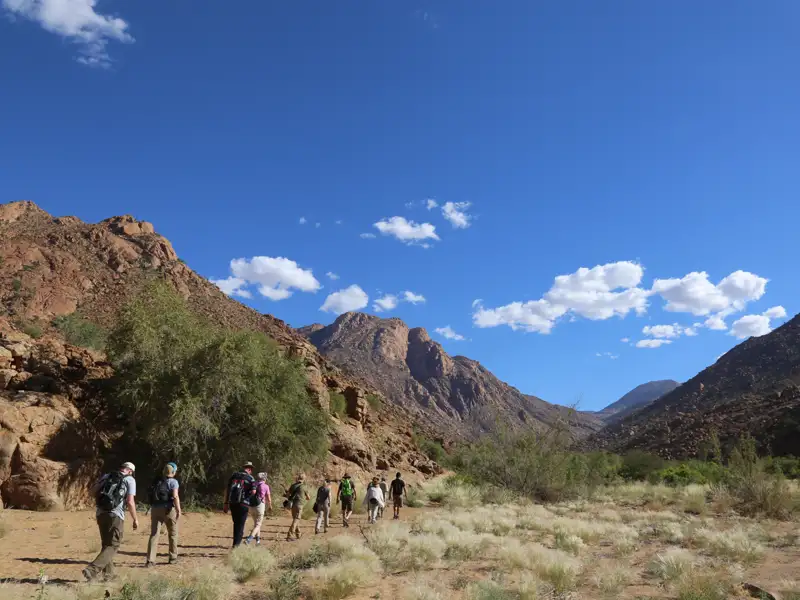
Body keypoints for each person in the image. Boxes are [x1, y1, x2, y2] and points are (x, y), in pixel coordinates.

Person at [83, 462, 138, 582]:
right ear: (130, 471)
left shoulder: (107, 476)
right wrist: (135, 518)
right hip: (115, 515)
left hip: (100, 513)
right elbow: (130, 501)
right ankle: (92, 570)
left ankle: (109, 575)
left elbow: (91, 492)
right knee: (113, 545)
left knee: (106, 544)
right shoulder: (130, 480)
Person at [146, 462, 181, 567]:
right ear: (173, 472)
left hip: (155, 509)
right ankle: (173, 557)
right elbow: (175, 496)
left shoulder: (157, 481)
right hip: (168, 509)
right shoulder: (173, 482)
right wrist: (179, 510)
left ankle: (150, 560)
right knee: (173, 534)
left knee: (154, 534)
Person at [223, 461, 255, 548]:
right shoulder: (251, 478)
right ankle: (236, 546)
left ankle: (235, 544)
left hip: (233, 503)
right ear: (249, 469)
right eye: (251, 469)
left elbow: (227, 489)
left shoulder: (234, 476)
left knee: (236, 524)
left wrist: (226, 503)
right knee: (240, 525)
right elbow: (253, 491)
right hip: (244, 504)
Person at [245, 472, 272, 545]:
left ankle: (258, 541)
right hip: (260, 506)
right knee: (258, 524)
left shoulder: (253, 484)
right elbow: (269, 499)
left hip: (251, 506)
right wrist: (270, 506)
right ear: (264, 478)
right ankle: (249, 539)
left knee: (256, 524)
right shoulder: (266, 486)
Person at [285, 473, 310, 541]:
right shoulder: (304, 486)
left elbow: (287, 495)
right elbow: (308, 497)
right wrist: (306, 498)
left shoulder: (293, 486)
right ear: (304, 479)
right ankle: (289, 535)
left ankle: (298, 534)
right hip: (299, 505)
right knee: (296, 519)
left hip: (293, 505)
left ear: (298, 478)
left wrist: (287, 494)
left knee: (295, 519)